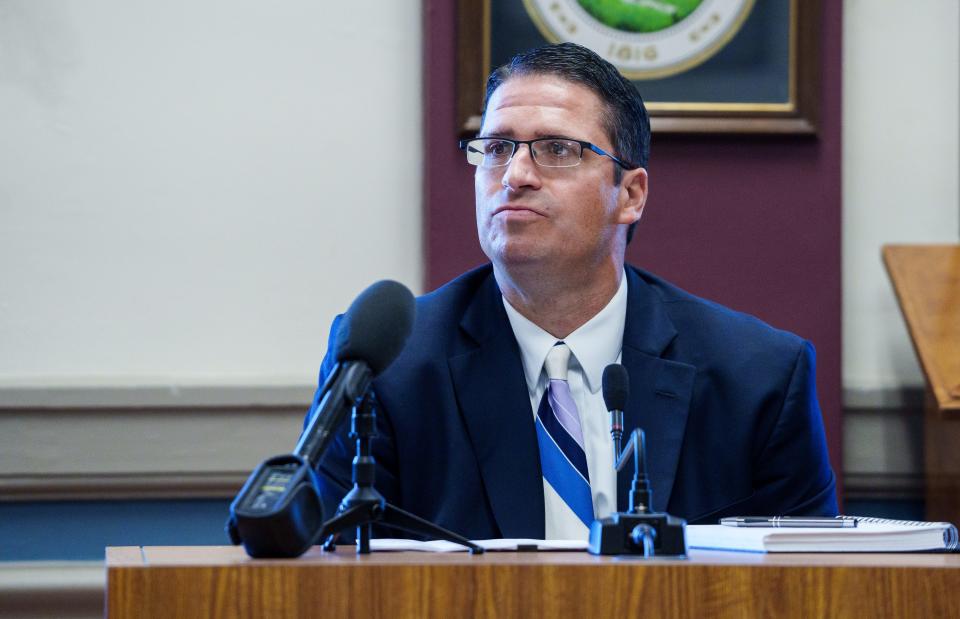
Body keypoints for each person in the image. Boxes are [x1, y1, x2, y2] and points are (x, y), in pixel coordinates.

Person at [306, 42, 837, 541]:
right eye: (495, 148)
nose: (514, 175)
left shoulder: (758, 377)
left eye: (556, 149)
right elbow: (332, 573)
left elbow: (804, 587)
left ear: (630, 194)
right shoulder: (388, 368)